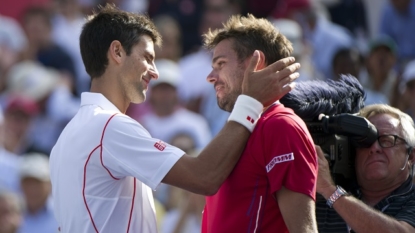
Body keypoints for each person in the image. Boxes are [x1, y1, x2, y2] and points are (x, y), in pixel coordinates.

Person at [49, 4, 300, 233]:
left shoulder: (67, 138)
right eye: (147, 58)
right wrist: (251, 101)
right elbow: (204, 176)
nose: (155, 72)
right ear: (117, 52)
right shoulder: (108, 127)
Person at [201, 14, 318, 233]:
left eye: (220, 64)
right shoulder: (238, 128)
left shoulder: (281, 126)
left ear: (257, 63)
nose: (211, 76)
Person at [315, 104, 415, 233]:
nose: (374, 148)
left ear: (411, 156)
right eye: (364, 141)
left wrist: (331, 191)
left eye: (387, 140)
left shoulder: (329, 192)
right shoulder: (321, 199)